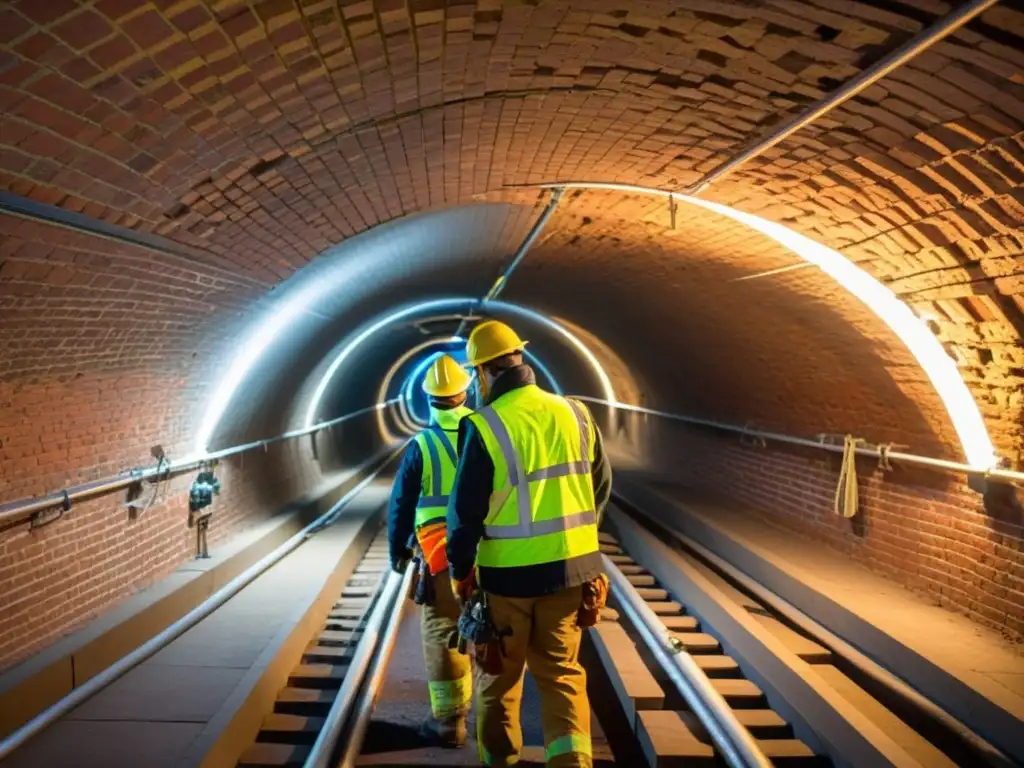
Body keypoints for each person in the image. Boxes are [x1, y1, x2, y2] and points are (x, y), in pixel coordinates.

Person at [446, 320, 612, 768]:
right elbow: (600, 488)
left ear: (483, 373)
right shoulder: (575, 411)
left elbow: (465, 516)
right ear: (521, 360)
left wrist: (461, 573)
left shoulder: (484, 426)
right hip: (570, 575)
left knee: (499, 681)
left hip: (507, 582)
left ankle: (501, 762)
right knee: (562, 676)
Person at [388, 353, 475, 747]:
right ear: (466, 391)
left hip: (441, 555)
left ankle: (449, 723)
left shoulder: (421, 444)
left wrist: (398, 551)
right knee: (501, 631)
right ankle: (497, 724)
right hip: (495, 551)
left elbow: (402, 504)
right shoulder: (491, 431)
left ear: (428, 399)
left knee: (445, 633)